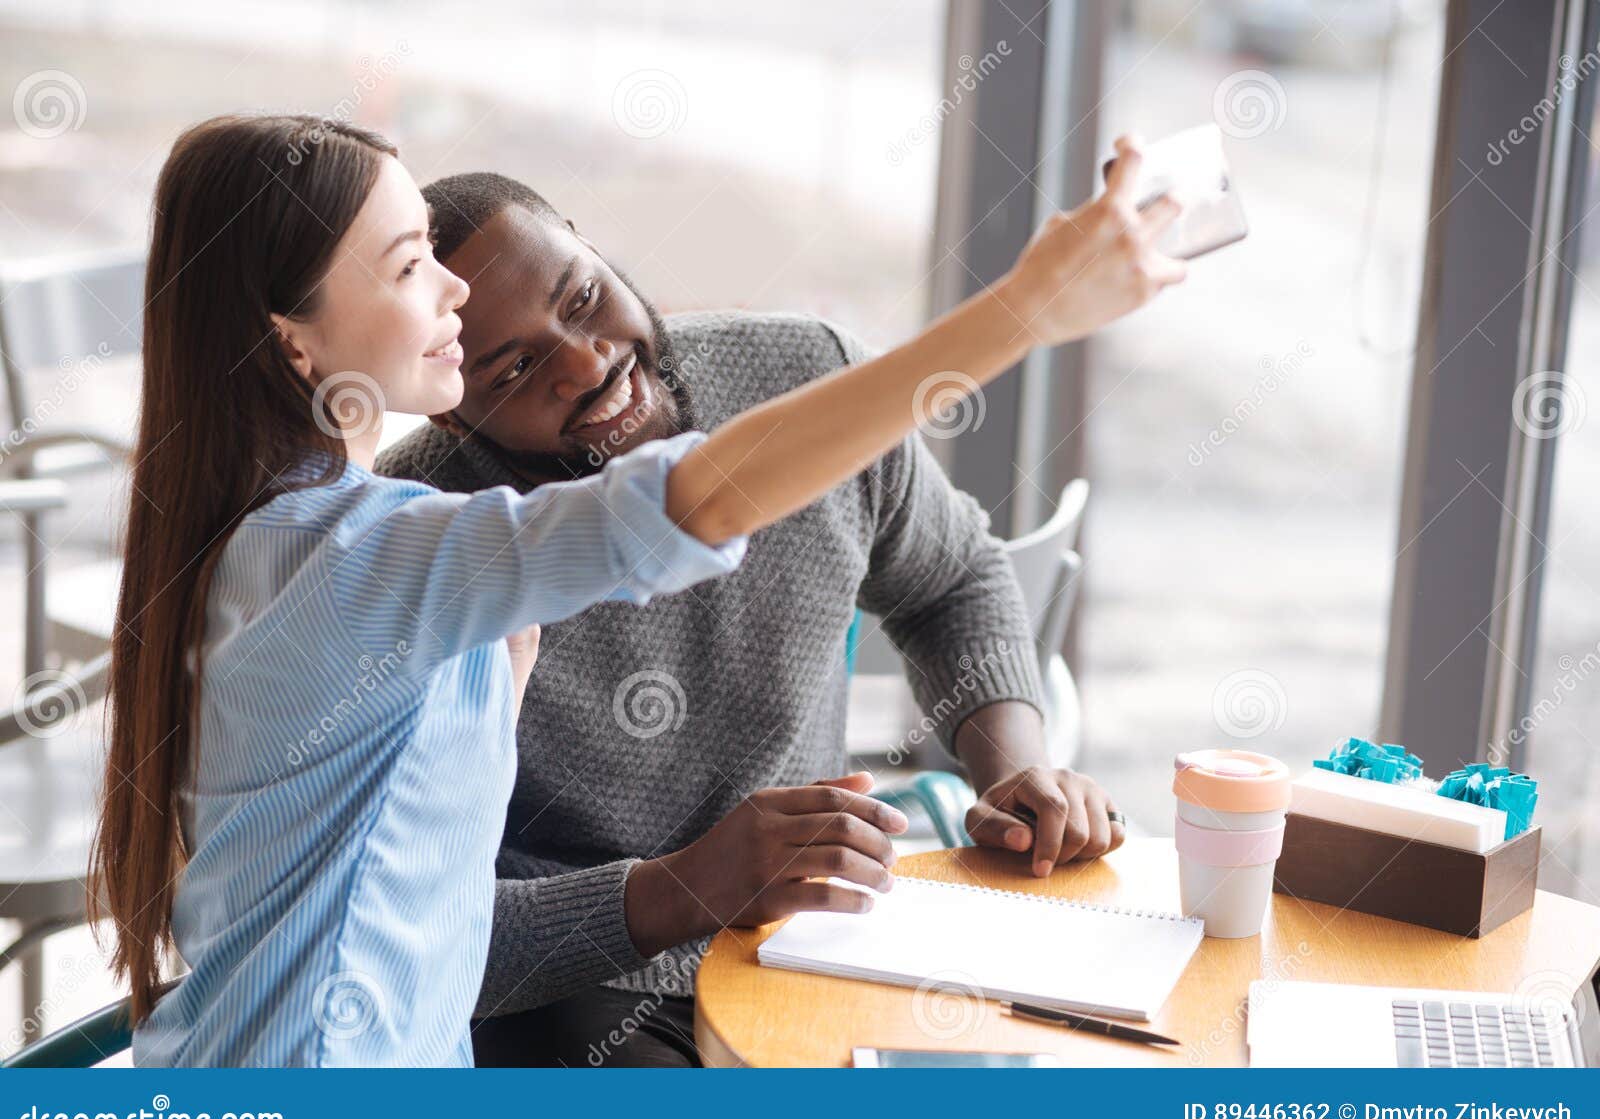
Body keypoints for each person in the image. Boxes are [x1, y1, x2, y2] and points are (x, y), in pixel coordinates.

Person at [92, 112, 1183, 1066]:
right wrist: (1028, 308)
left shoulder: (333, 539)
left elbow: (423, 902)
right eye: (413, 264)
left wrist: (1013, 767)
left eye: (434, 253)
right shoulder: (373, 550)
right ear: (294, 346)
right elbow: (687, 508)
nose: (458, 294)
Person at [375, 172, 1161, 1066]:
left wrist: (1015, 772)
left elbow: (953, 580)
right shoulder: (413, 539)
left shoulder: (805, 382)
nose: (587, 365)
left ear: (592, 245)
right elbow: (409, 939)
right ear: (442, 391)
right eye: (512, 368)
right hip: (573, 988)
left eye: (583, 296)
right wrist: (683, 890)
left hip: (816, 942)